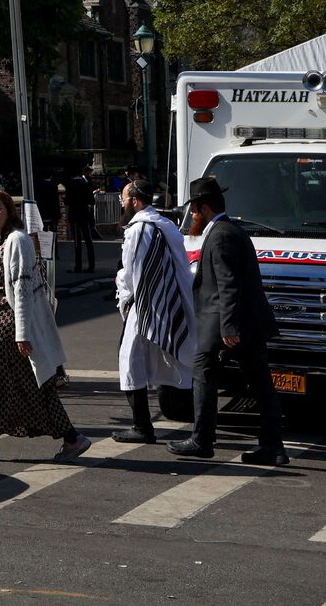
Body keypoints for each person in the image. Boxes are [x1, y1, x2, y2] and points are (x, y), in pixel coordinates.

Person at [0, 190, 90, 463]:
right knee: (23, 387)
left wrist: (22, 333)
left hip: (4, 327)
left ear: (9, 212)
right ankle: (71, 438)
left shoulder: (16, 240)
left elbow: (22, 288)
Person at [169, 175, 285, 465]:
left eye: (194, 210)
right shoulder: (229, 230)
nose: (192, 216)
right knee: (260, 384)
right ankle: (273, 446)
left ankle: (202, 440)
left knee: (204, 375)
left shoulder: (221, 235)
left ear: (203, 207)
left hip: (228, 323)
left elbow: (228, 283)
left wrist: (229, 326)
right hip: (244, 322)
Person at [113, 180, 195, 443]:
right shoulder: (164, 224)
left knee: (130, 360)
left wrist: (124, 294)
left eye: (123, 199)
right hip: (166, 301)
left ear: (135, 201)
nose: (122, 204)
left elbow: (133, 273)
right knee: (158, 359)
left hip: (146, 305)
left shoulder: (140, 229)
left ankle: (142, 426)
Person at [65, 168, 97, 274]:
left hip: (74, 215)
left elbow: (67, 202)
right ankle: (91, 266)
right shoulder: (86, 184)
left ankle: (78, 266)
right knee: (88, 241)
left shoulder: (70, 184)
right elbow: (92, 201)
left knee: (77, 242)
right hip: (84, 214)